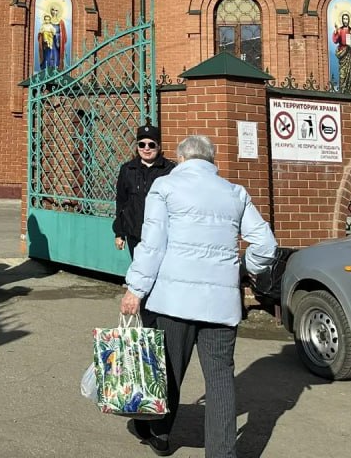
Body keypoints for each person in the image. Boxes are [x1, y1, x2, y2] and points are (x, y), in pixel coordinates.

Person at [120, 134, 277, 458]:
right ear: (211, 159)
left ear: (180, 158)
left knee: (170, 371)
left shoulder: (164, 188)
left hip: (174, 300)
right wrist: (244, 268)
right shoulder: (235, 193)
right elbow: (266, 245)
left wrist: (135, 289)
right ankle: (222, 453)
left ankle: (160, 435)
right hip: (221, 305)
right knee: (220, 378)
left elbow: (152, 245)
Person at [112, 122, 174, 258]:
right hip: (135, 232)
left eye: (151, 145)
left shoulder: (169, 170)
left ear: (158, 146)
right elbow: (121, 202)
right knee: (138, 271)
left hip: (160, 234)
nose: (146, 149)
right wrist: (119, 233)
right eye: (142, 144)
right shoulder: (127, 169)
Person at [331, 11, 351, 94]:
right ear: (342, 20)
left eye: (347, 19)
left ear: (349, 20)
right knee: (343, 74)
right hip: (343, 53)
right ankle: (343, 90)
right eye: (344, 19)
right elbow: (335, 41)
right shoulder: (340, 30)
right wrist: (336, 31)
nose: (345, 20)